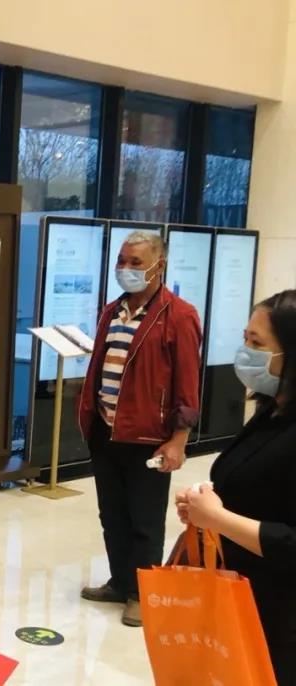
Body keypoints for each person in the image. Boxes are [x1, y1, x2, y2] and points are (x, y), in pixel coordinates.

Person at [77, 231, 202, 627]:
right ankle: (120, 581)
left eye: (135, 262)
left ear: (158, 266)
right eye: (122, 260)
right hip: (106, 431)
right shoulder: (111, 311)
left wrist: (178, 439)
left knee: (144, 520)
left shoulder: (179, 315)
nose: (125, 268)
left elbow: (187, 383)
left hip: (149, 437)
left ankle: (142, 593)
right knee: (112, 515)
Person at [176, 289, 296, 684]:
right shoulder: (271, 411)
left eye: (257, 343)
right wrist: (205, 505)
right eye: (245, 338)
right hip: (239, 598)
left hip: (279, 617)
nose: (245, 352)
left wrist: (218, 517)